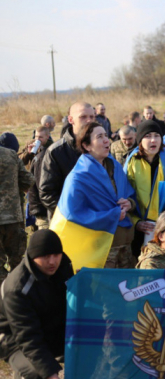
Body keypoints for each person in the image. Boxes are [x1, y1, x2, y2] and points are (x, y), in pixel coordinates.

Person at [0, 230, 74, 379]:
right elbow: (28, 337)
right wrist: (50, 373)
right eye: (46, 256)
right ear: (33, 257)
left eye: (56, 255)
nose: (52, 262)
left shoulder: (64, 268)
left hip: (47, 327)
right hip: (12, 337)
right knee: (36, 372)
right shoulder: (17, 288)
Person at [75, 122, 136, 268]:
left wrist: (129, 203)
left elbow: (130, 194)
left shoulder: (115, 167)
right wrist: (112, 215)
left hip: (125, 245)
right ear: (86, 146)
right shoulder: (81, 176)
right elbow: (76, 214)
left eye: (106, 136)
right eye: (99, 137)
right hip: (102, 248)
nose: (106, 140)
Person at [124, 120, 165, 258]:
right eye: (147, 136)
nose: (153, 140)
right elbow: (124, 198)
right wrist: (136, 223)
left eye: (157, 135)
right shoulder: (131, 163)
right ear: (140, 140)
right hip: (138, 230)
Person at [40, 101, 95, 219]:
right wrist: (73, 213)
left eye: (92, 116)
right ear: (71, 120)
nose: (89, 120)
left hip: (97, 220)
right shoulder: (56, 152)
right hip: (67, 222)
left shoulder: (100, 148)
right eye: (83, 117)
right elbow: (47, 193)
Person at [0, 145, 34, 281]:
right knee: (17, 263)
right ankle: (17, 295)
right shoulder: (10, 154)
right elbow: (29, 180)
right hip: (13, 218)